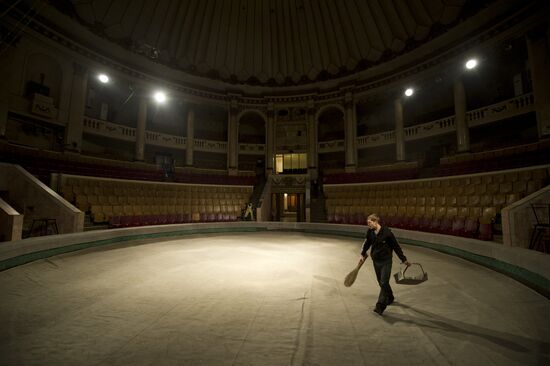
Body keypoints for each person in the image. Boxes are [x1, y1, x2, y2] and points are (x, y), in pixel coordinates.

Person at [360, 213, 410, 316]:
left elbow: (396, 247)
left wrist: (403, 259)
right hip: (376, 261)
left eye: (369, 223)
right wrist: (362, 254)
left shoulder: (387, 232)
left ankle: (380, 306)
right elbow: (367, 243)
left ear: (376, 222)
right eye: (367, 223)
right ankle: (390, 297)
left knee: (383, 282)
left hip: (386, 261)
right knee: (381, 282)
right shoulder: (370, 232)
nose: (368, 225)